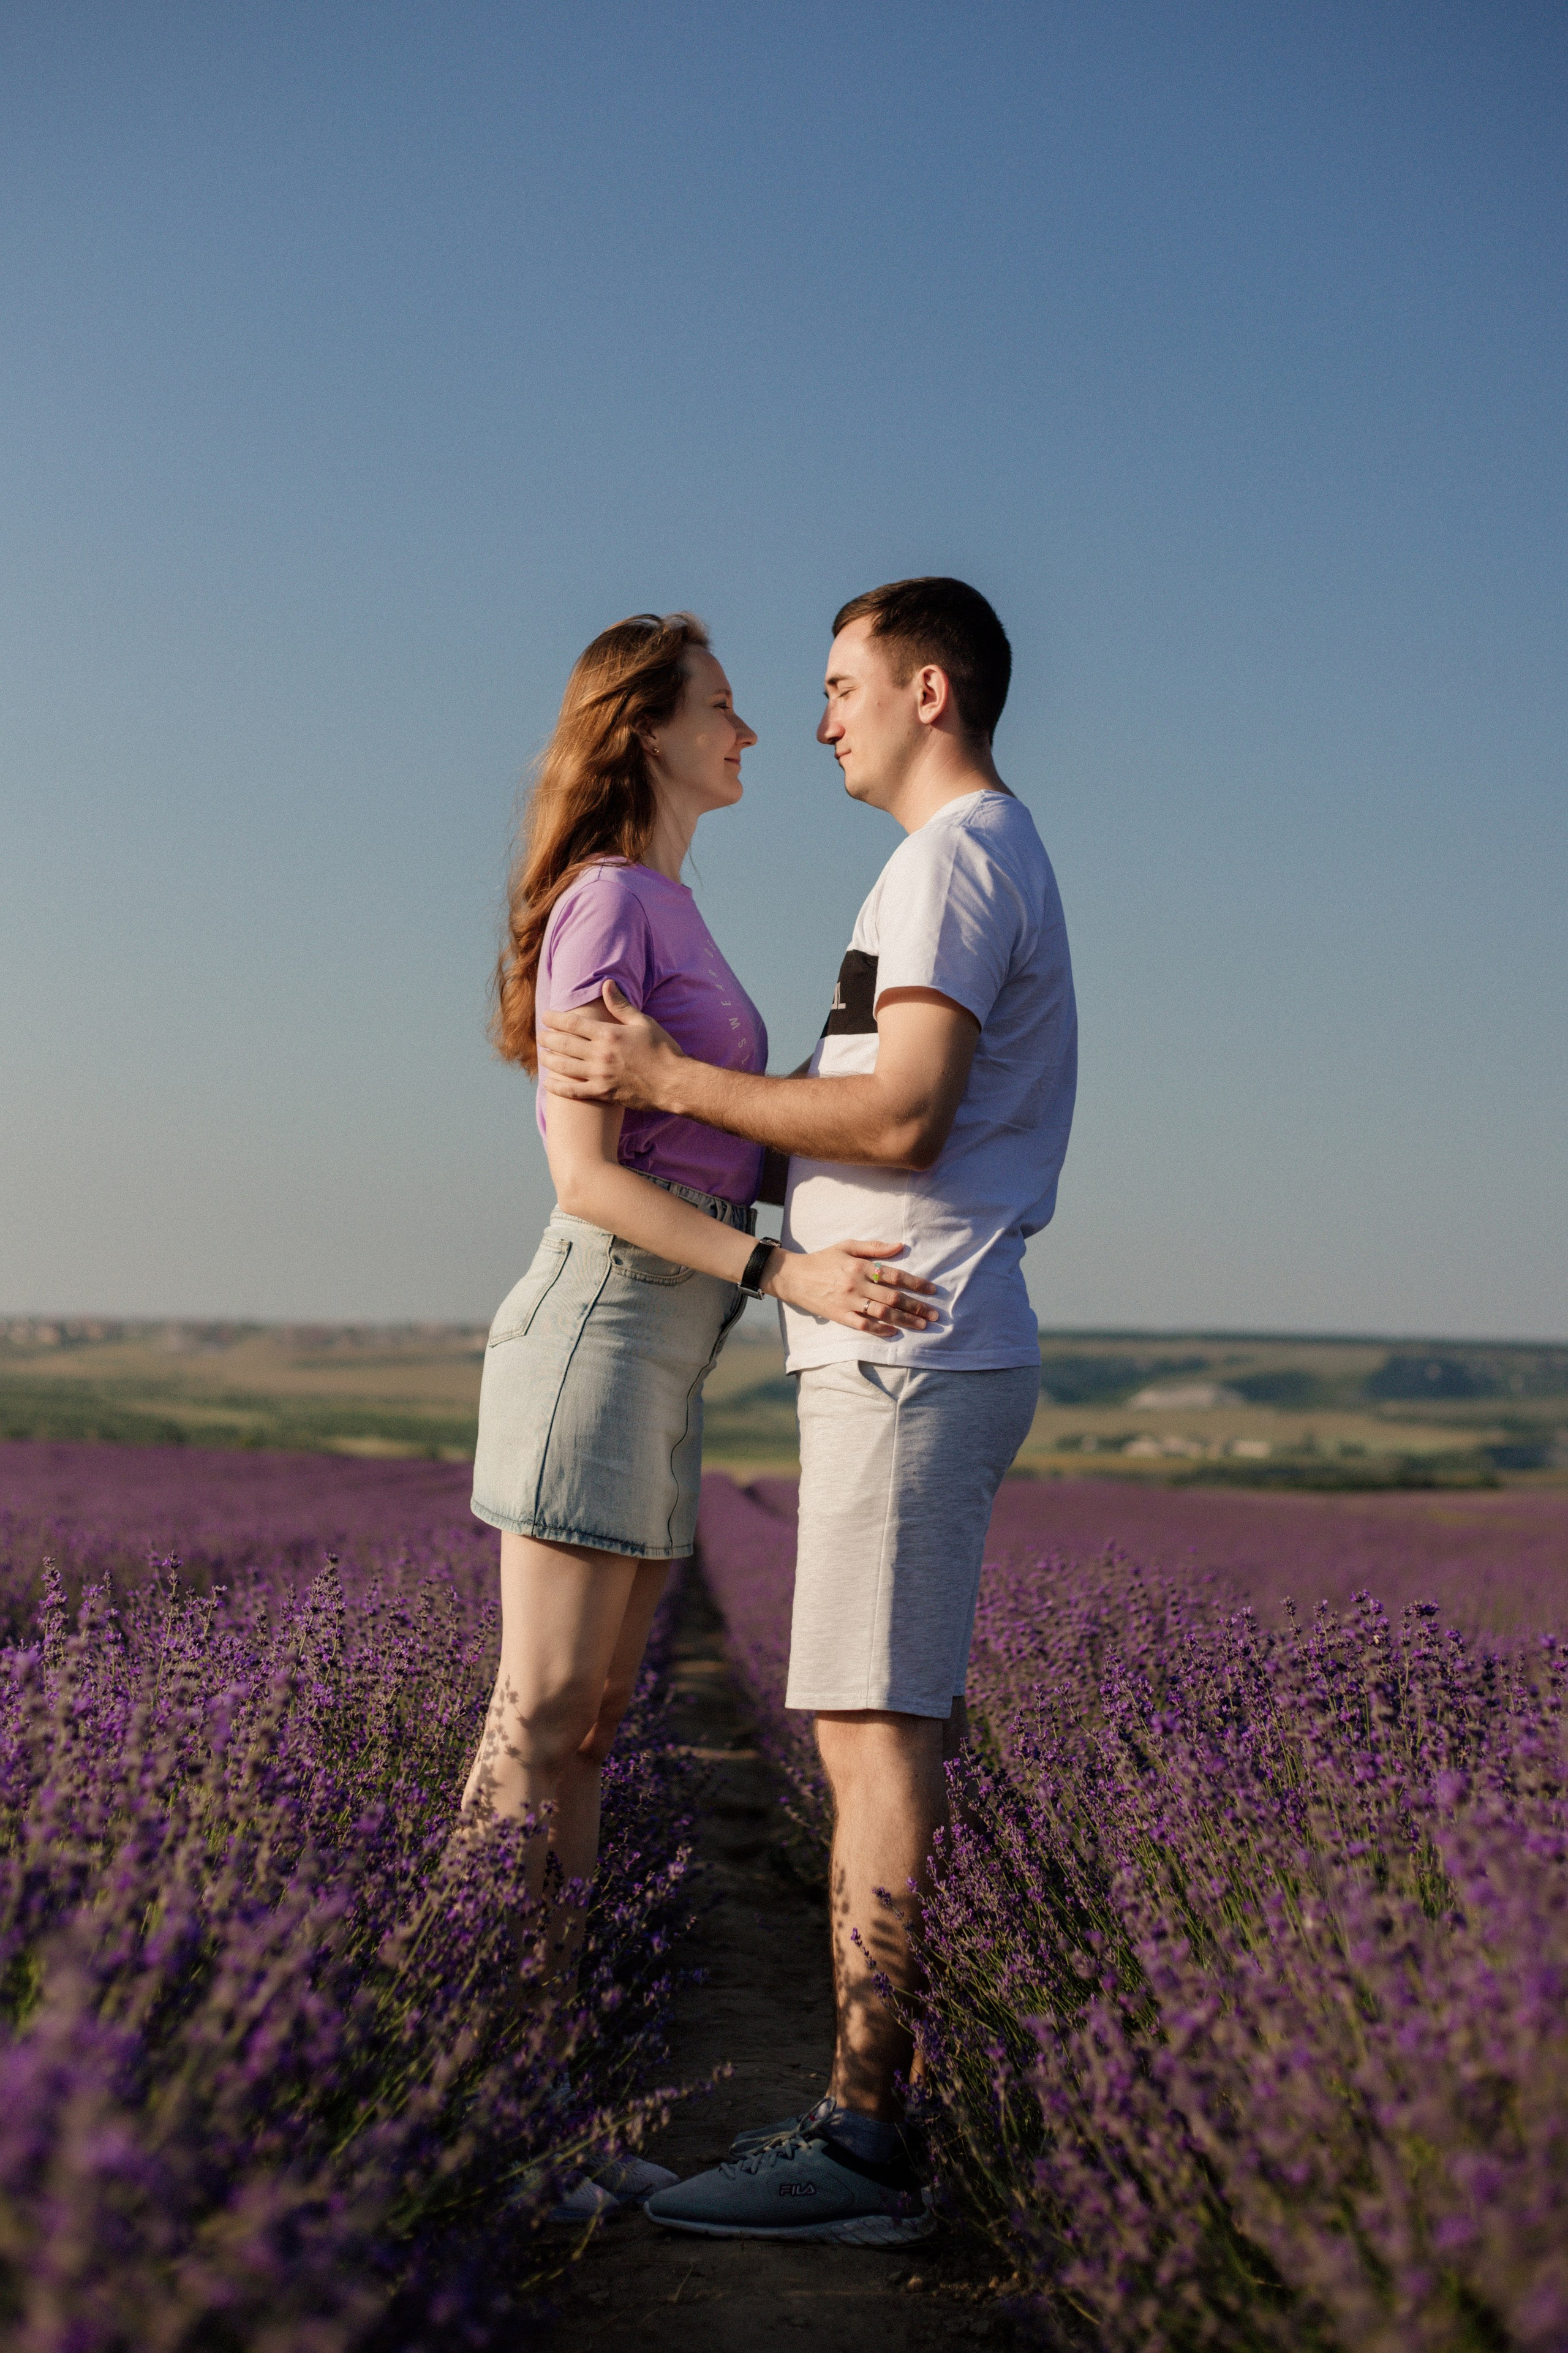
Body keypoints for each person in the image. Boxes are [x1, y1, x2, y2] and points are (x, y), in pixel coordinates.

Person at [539, 576, 1077, 2243]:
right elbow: (857, 1115)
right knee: (858, 1726)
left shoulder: (954, 861)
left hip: (912, 1348)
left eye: (841, 684)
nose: (816, 713)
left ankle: (861, 2140)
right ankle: (861, 2118)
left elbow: (904, 1118)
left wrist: (671, 1082)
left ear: (928, 689)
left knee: (874, 1731)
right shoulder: (947, 864)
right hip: (886, 1344)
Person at [461, 609, 937, 2221]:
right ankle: (490, 2103)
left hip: (664, 1355)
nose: (758, 734)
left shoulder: (671, 903)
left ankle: (536, 2096)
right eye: (727, 709)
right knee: (539, 1724)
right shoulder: (608, 896)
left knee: (585, 1729)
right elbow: (588, 1174)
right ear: (643, 728)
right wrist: (785, 1270)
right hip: (603, 1322)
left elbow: (710, 1119)